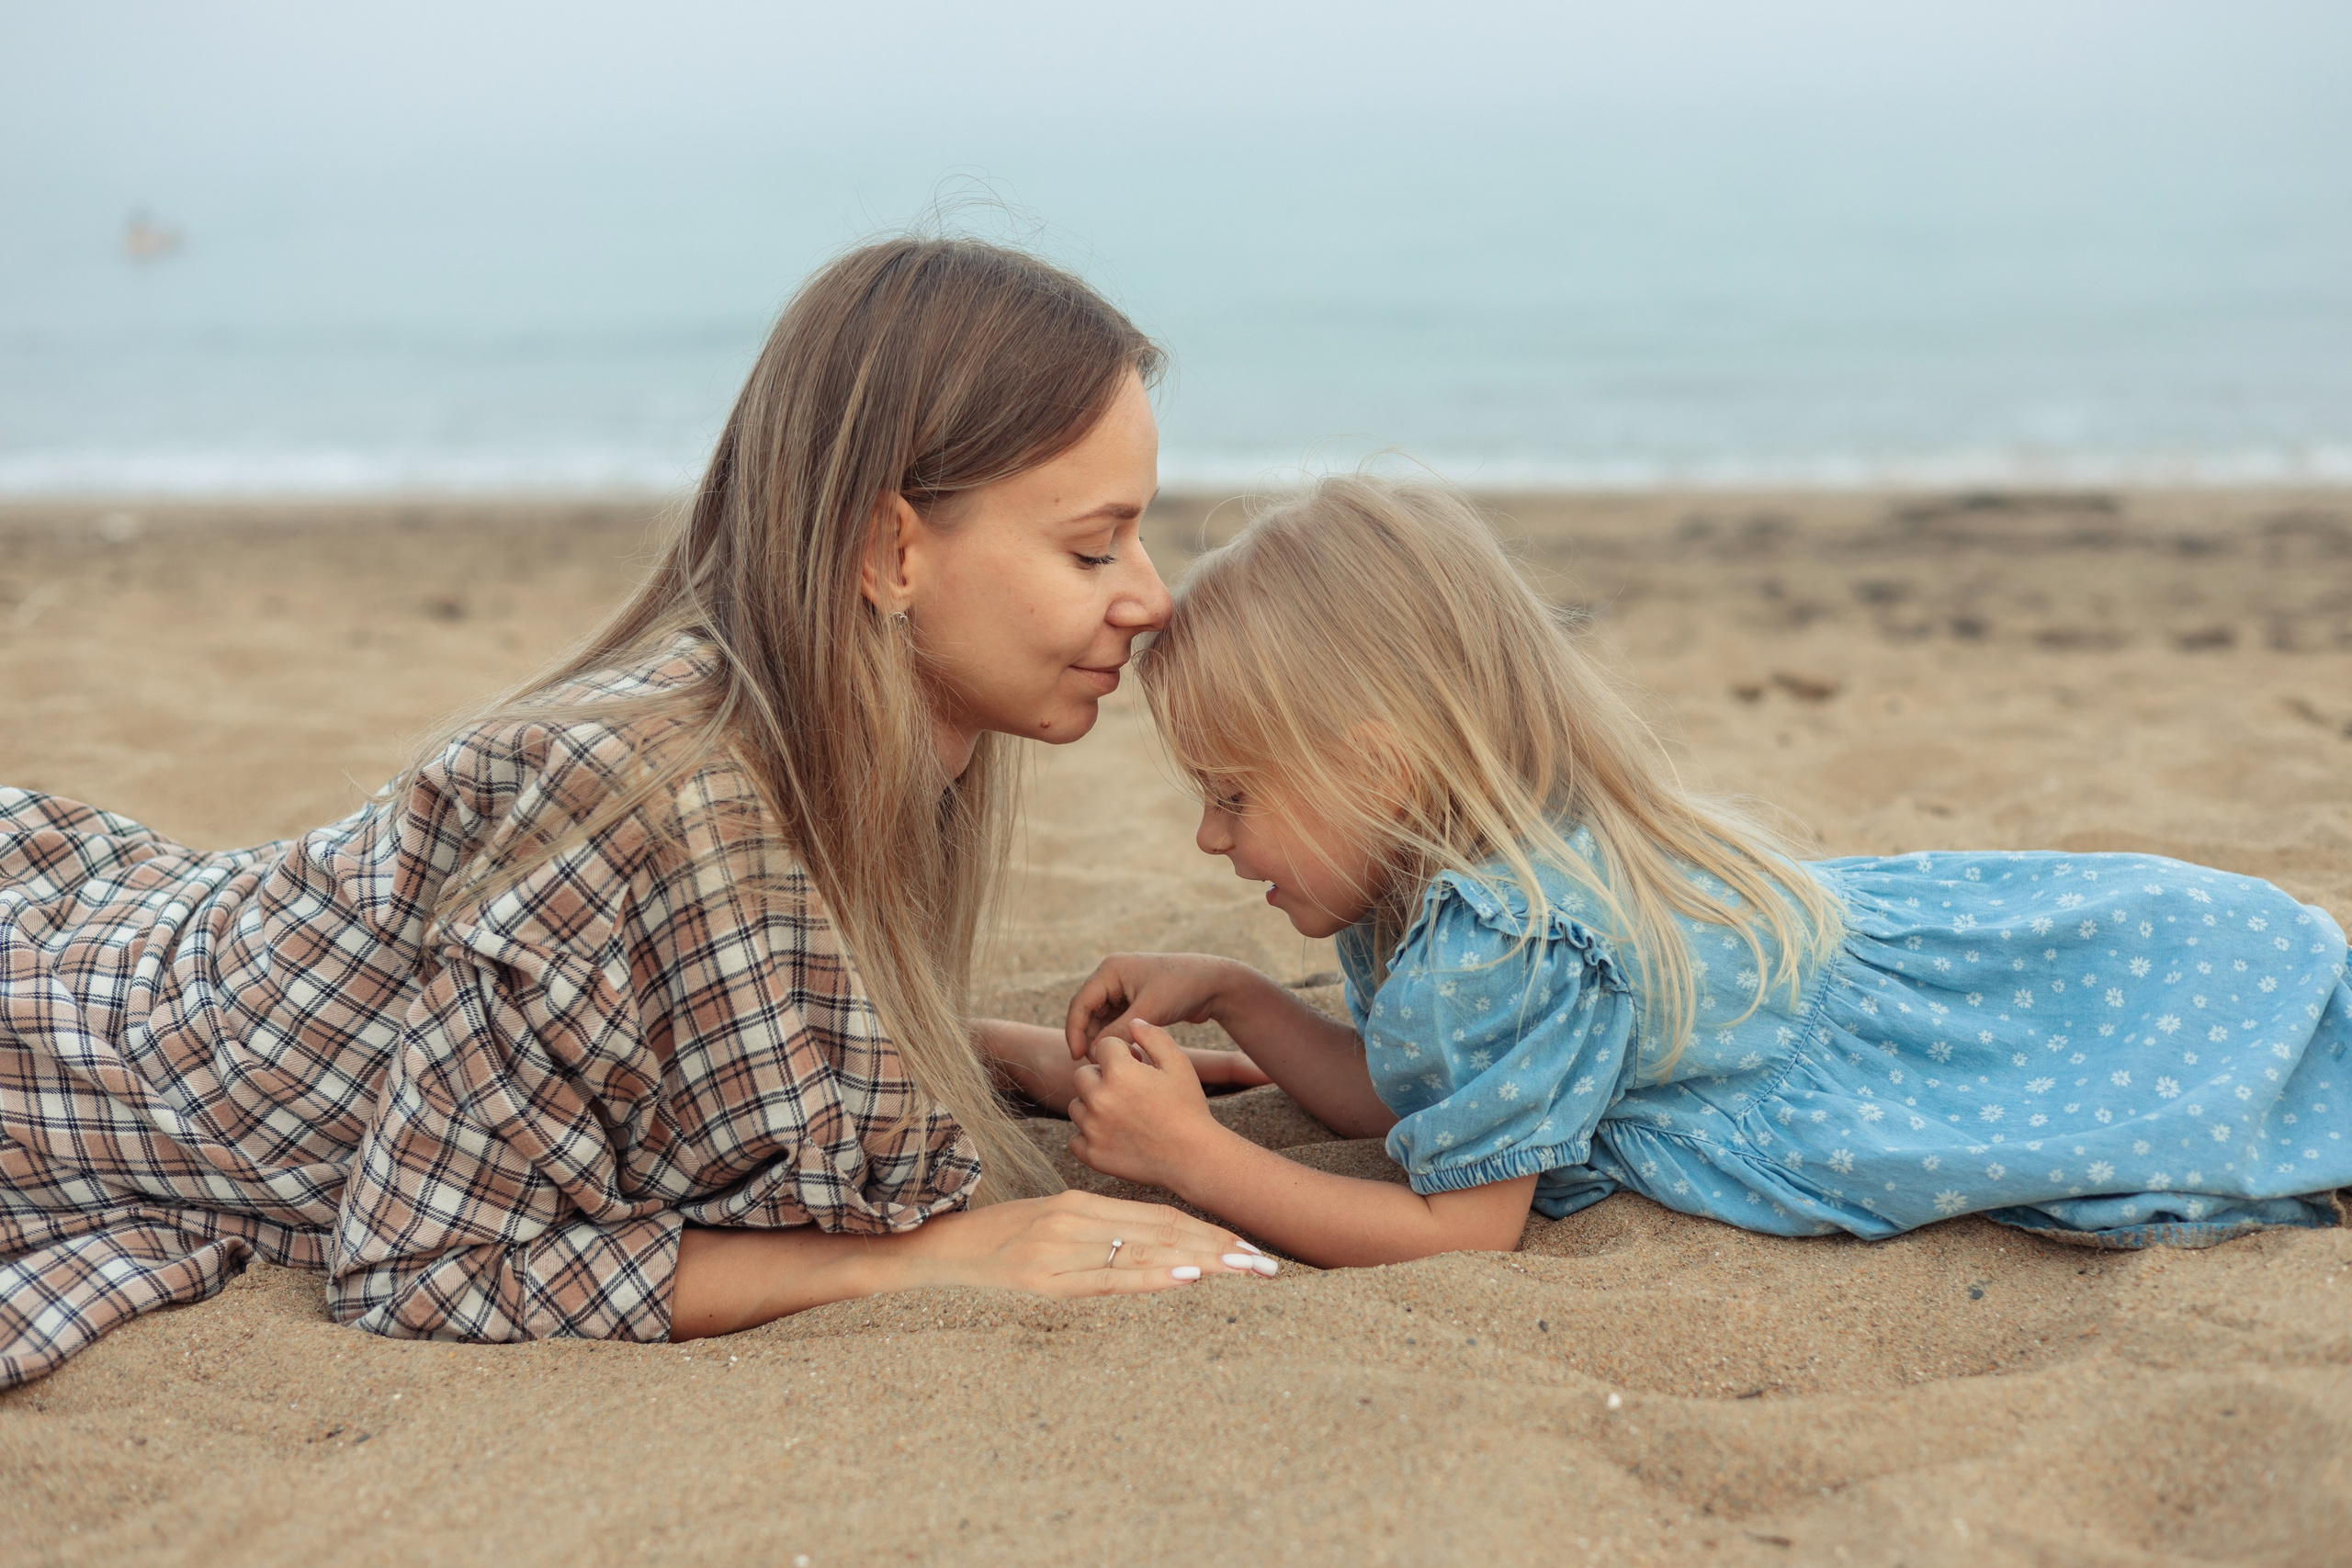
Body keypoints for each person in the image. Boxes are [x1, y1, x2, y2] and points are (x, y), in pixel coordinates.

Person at [0, 236, 1280, 1393]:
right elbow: (422, 1267)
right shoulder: (638, 795)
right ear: (893, 552)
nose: (1154, 600)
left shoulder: (857, 747)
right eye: (1093, 548)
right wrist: (927, 1260)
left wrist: (983, 1051)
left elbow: (668, 1024)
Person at [1059, 475, 2352, 1266]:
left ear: (1381, 771)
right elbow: (1430, 1100)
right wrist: (1238, 992)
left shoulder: (1509, 938)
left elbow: (1458, 1229)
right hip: (1974, 956)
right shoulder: (1459, 880)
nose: (1211, 841)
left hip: (2024, 1005)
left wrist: (1201, 1162)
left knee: (2239, 1072)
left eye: (1235, 796)